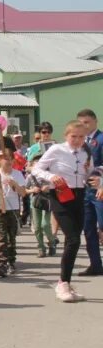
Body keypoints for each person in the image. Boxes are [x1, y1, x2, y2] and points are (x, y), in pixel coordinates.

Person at [33, 120, 95, 302]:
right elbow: (36, 169)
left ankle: (66, 282)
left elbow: (90, 173)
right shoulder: (56, 150)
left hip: (79, 195)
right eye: (73, 136)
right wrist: (51, 176)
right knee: (74, 238)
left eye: (81, 136)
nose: (77, 140)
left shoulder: (86, 152)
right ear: (66, 136)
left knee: (73, 240)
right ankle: (63, 283)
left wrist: (96, 178)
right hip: (60, 195)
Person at [0, 151, 27, 277]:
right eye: (5, 159)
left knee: (11, 237)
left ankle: (11, 260)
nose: (8, 161)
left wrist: (14, 184)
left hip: (13, 209)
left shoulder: (17, 174)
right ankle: (2, 263)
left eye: (10, 159)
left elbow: (23, 193)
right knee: (1, 237)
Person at [76, 109, 103, 276]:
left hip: (99, 190)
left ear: (95, 121)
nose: (84, 126)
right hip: (85, 191)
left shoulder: (100, 139)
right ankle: (95, 264)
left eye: (87, 122)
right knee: (88, 228)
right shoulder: (80, 142)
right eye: (81, 123)